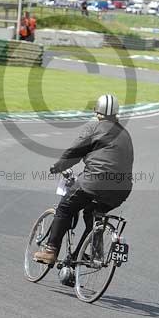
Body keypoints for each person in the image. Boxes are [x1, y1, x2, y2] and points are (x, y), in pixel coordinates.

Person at [33, 94, 134, 265]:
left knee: (65, 209)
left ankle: (50, 251)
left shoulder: (94, 127)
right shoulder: (125, 134)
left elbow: (74, 152)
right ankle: (91, 254)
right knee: (94, 214)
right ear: (116, 113)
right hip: (122, 189)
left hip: (94, 181)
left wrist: (58, 166)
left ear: (96, 111)